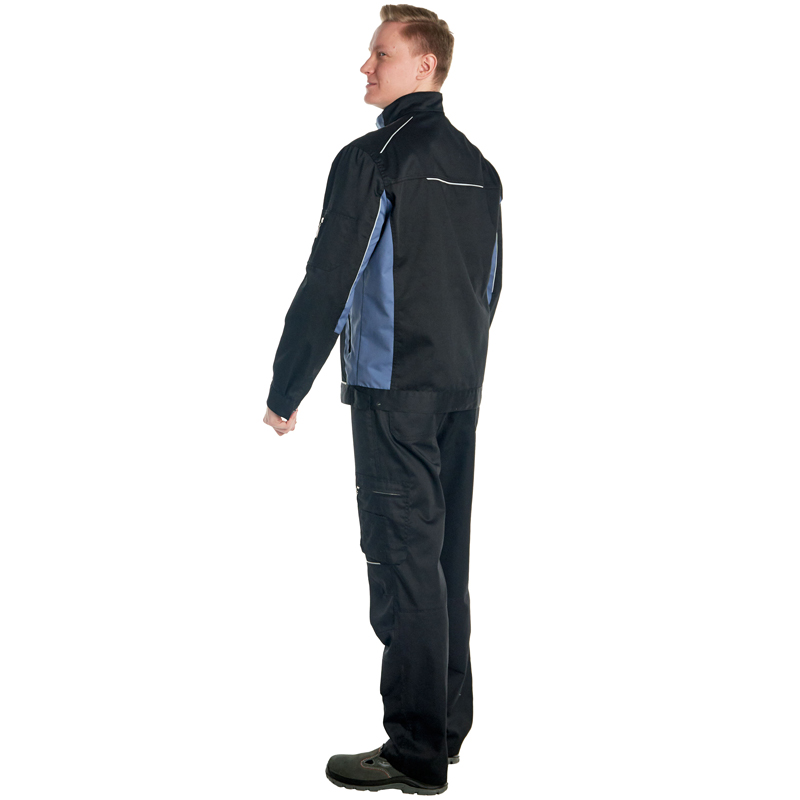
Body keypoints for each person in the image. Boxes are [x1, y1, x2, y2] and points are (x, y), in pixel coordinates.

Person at [264, 4, 502, 794]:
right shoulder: (479, 167)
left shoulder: (373, 158)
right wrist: (463, 363)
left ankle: (414, 752)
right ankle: (447, 730)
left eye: (380, 55)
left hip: (393, 393)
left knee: (404, 566)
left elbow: (330, 277)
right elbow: (490, 285)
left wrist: (287, 385)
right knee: (444, 564)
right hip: (459, 389)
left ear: (425, 65)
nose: (365, 67)